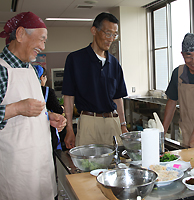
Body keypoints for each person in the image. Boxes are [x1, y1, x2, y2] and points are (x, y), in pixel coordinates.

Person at [0, 12, 66, 200]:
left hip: (42, 166)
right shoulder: (1, 70)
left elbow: (32, 110)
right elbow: (20, 108)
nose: (43, 47)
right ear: (20, 34)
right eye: (41, 40)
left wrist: (48, 117)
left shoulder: (31, 70)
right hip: (15, 172)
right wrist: (17, 108)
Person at [62, 12, 128, 149]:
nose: (111, 39)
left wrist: (123, 125)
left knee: (117, 166)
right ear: (94, 30)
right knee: (87, 166)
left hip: (112, 122)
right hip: (88, 122)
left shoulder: (114, 64)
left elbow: (118, 98)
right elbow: (68, 96)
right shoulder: (75, 59)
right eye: (107, 33)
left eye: (114, 35)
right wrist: (69, 129)